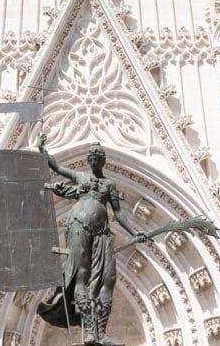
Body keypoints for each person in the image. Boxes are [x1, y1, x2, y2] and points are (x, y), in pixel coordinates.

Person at [37, 135, 146, 346]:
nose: (95, 161)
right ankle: (89, 330)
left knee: (108, 278)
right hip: (78, 225)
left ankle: (100, 333)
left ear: (103, 161)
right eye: (92, 157)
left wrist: (135, 233)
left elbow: (119, 213)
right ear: (88, 160)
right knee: (82, 274)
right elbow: (58, 168)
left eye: (98, 157)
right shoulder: (81, 177)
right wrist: (43, 152)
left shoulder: (109, 185)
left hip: (102, 232)